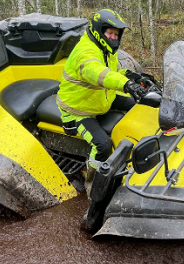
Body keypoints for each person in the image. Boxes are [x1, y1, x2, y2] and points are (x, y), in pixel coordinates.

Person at [56, 9, 149, 192]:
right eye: (110, 33)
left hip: (99, 100)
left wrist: (132, 77)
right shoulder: (85, 51)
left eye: (116, 34)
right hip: (78, 110)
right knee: (102, 145)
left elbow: (111, 74)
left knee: (138, 107)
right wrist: (126, 85)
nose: (114, 37)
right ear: (99, 31)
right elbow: (98, 74)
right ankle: (92, 181)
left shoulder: (105, 49)